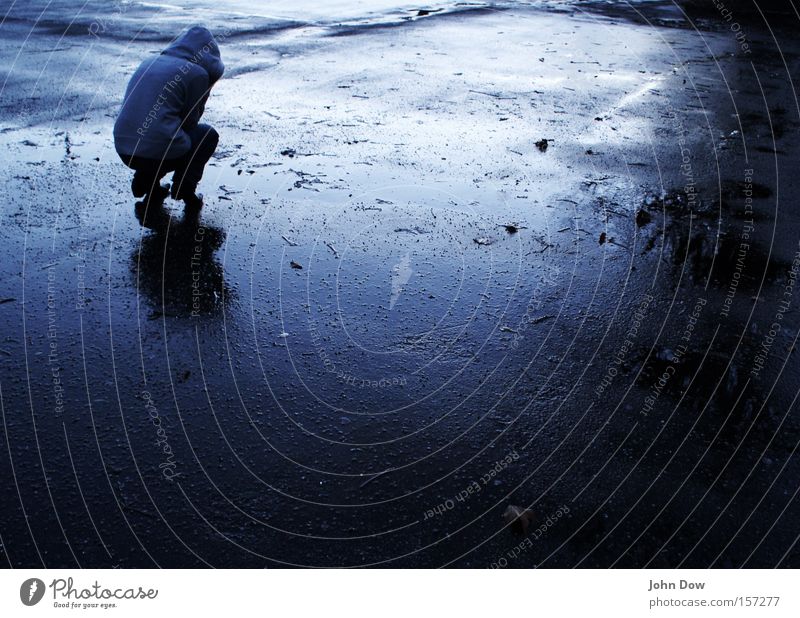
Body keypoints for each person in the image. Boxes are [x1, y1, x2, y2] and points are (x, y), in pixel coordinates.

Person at [114, 26, 224, 209]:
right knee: (206, 136)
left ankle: (147, 182)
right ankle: (184, 188)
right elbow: (189, 122)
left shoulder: (150, 62)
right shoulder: (197, 73)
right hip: (154, 150)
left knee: (159, 134)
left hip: (124, 149)